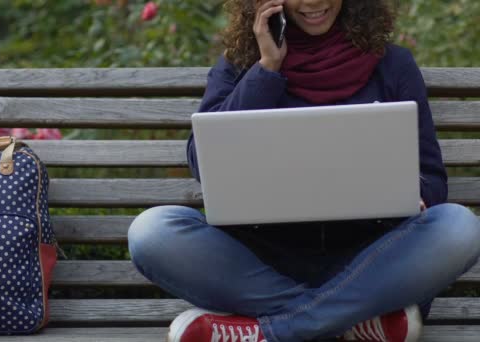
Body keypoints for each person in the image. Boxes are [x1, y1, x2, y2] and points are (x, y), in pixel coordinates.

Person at [128, 0, 480, 341]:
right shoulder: (241, 64)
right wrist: (266, 69)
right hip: (261, 265)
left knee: (459, 227)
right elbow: (202, 162)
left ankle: (269, 331)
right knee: (151, 232)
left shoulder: (393, 64)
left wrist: (416, 194)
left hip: (370, 262)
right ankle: (353, 322)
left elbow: (432, 178)